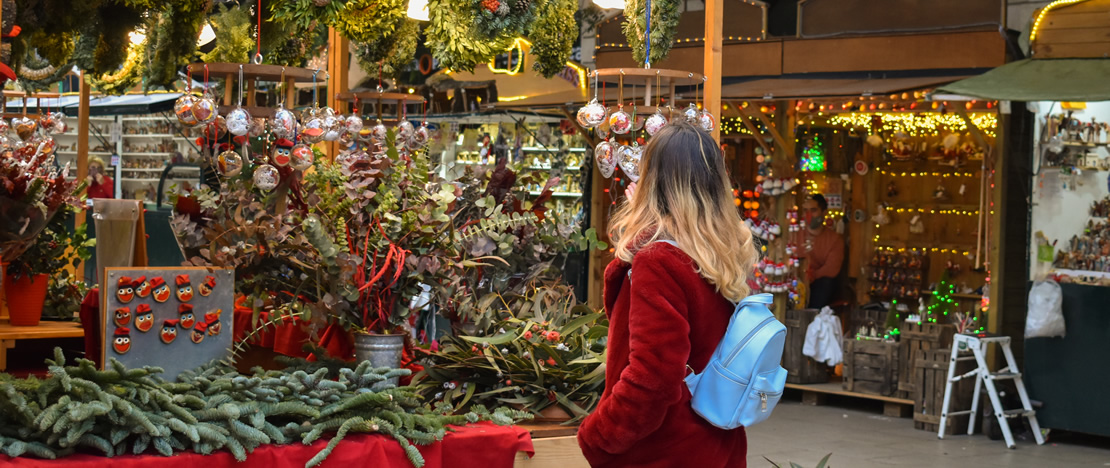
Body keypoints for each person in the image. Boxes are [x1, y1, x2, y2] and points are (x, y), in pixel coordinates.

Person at [577, 122, 758, 468]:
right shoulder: (721, 255)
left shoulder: (659, 262)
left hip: (663, 451)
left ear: (652, 181)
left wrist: (597, 437)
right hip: (717, 445)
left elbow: (653, 379)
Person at [802, 193, 843, 309]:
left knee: (826, 283)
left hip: (818, 282)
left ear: (824, 212)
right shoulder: (796, 233)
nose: (809, 215)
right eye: (805, 210)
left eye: (813, 210)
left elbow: (831, 269)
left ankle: (812, 317)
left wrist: (812, 276)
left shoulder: (834, 239)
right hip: (798, 279)